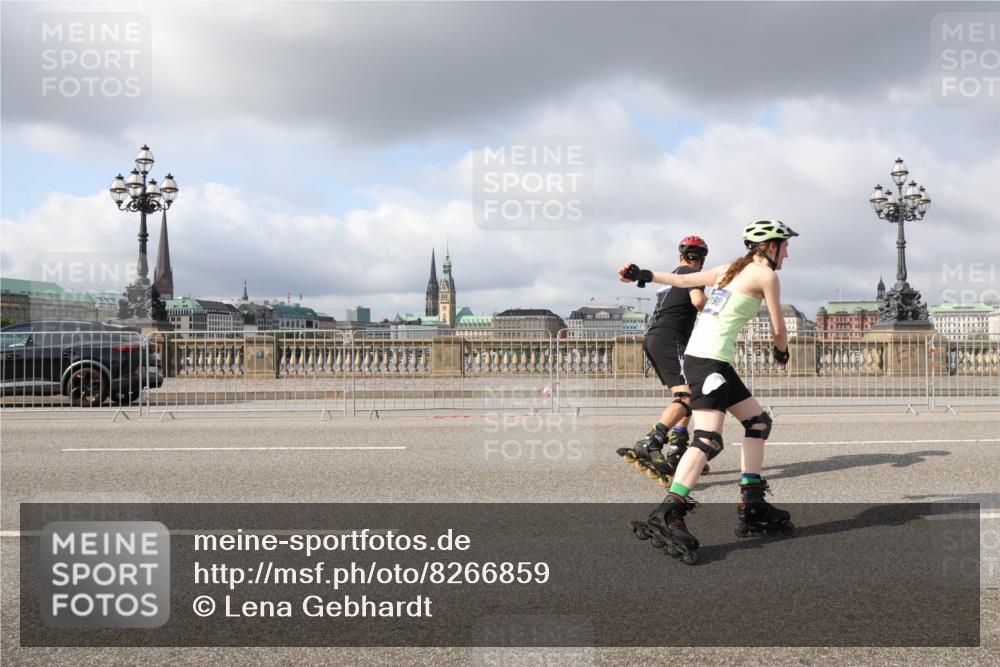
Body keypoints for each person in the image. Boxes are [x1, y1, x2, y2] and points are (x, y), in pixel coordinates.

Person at [619, 220, 798, 564]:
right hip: (708, 364)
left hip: (713, 361)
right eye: (785, 246)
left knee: (758, 422)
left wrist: (642, 273)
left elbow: (682, 279)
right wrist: (782, 351)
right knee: (707, 439)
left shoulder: (731, 269)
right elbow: (778, 327)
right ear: (770, 246)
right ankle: (669, 514)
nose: (787, 253)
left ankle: (753, 504)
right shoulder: (765, 276)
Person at [616, 236, 711, 488]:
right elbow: (698, 302)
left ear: (681, 256)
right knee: (687, 396)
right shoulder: (692, 275)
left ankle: (678, 446)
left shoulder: (670, 278)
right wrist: (718, 314)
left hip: (655, 339)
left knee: (683, 394)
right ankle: (651, 442)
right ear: (702, 259)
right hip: (671, 341)